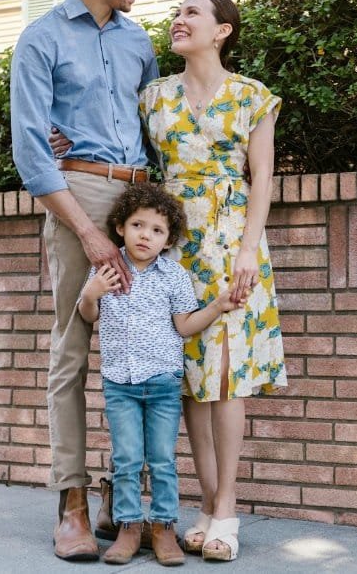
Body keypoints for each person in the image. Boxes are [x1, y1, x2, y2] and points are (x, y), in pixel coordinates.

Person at [49, 0, 287, 562]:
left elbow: (262, 178)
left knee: (226, 377)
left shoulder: (252, 96)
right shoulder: (154, 96)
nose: (178, 21)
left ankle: (227, 509)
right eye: (177, 13)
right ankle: (204, 506)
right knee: (190, 381)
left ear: (222, 30)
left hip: (232, 243)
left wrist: (248, 251)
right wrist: (65, 138)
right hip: (173, 248)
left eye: (192, 13)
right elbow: (109, 130)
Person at [8, 0, 158, 561]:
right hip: (81, 194)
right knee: (72, 349)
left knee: (144, 350)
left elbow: (156, 122)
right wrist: (88, 231)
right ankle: (70, 498)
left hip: (140, 197)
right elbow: (30, 150)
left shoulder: (138, 40)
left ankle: (123, 498)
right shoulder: (41, 39)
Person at [77, 184, 240, 566]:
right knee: (127, 459)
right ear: (121, 227)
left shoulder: (174, 276)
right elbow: (89, 315)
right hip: (121, 384)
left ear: (167, 240)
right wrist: (91, 293)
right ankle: (129, 528)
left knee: (163, 459)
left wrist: (217, 306)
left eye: (156, 230)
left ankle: (164, 527)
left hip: (163, 384)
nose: (145, 235)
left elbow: (184, 326)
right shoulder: (106, 269)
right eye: (137, 225)